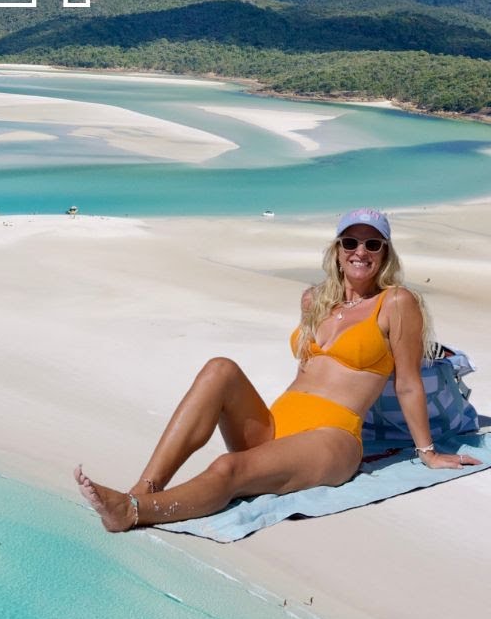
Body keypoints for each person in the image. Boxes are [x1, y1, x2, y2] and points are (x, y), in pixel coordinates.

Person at [74, 208, 481, 532]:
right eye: (351, 241)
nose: (361, 251)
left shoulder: (396, 303)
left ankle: (132, 511)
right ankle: (144, 489)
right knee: (220, 368)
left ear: (385, 253)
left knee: (227, 469)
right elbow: (307, 374)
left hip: (332, 438)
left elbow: (408, 383)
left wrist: (427, 454)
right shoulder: (314, 300)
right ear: (337, 249)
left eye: (373, 243)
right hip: (275, 426)